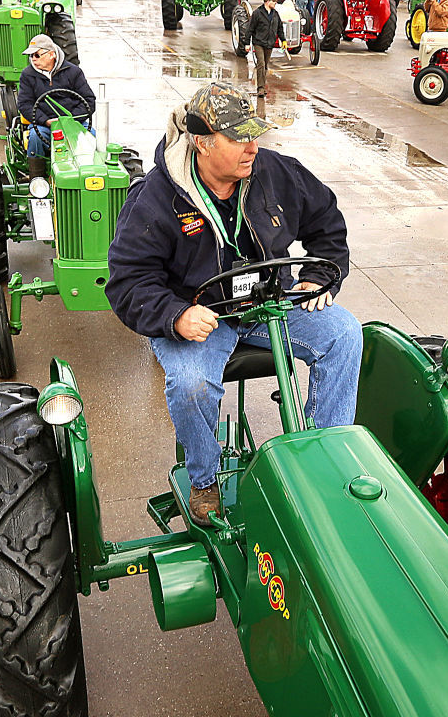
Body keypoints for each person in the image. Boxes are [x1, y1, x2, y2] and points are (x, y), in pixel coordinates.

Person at [106, 82, 359, 526]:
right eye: (238, 137)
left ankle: (324, 457)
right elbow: (128, 282)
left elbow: (327, 223)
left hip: (271, 303)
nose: (252, 146)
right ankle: (203, 479)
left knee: (343, 332)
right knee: (190, 384)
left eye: (253, 134)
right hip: (202, 318)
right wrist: (175, 315)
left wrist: (320, 278)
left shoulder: (278, 172)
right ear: (201, 143)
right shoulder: (154, 199)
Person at [16, 34, 97, 160]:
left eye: (37, 55)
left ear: (52, 54)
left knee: (91, 138)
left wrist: (71, 119)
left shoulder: (73, 72)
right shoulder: (28, 75)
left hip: (74, 122)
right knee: (35, 138)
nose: (33, 59)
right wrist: (45, 120)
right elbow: (24, 104)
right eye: (31, 56)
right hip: (44, 125)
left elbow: (89, 101)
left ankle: (91, 172)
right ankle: (37, 176)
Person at [248, 0, 283, 95]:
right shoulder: (257, 13)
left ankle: (262, 85)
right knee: (261, 64)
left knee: (265, 66)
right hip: (258, 42)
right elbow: (250, 29)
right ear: (267, 2)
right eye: (274, 1)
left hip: (269, 43)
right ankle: (260, 88)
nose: (275, 3)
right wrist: (246, 43)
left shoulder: (275, 14)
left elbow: (279, 28)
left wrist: (283, 40)